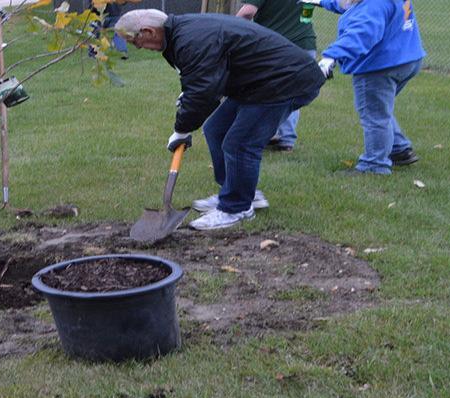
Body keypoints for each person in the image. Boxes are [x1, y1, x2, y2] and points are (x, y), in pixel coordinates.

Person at [116, 9, 325, 231]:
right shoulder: (181, 32)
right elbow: (203, 76)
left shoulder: (190, 38)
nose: (136, 47)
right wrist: (190, 95)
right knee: (216, 129)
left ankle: (236, 208)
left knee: (240, 143)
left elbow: (203, 91)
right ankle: (239, 192)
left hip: (284, 80)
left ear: (148, 31)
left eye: (134, 41)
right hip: (257, 81)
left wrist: (182, 130)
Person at [308, 0, 424, 174]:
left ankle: (374, 165)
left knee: (374, 115)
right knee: (379, 107)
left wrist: (330, 57)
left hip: (380, 66)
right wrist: (322, 2)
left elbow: (361, 34)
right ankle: (399, 149)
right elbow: (350, 5)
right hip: (408, 59)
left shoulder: (374, 4)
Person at [237, 0, 318, 151]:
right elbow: (308, 10)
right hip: (305, 44)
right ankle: (285, 138)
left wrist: (230, 27)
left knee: (264, 92)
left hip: (275, 46)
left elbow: (247, 12)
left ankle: (270, 134)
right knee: (291, 93)